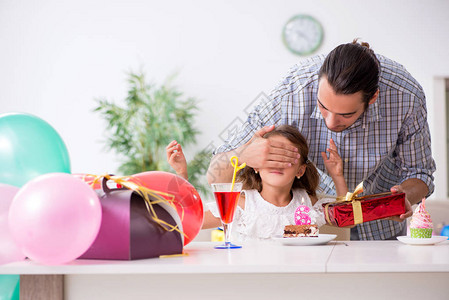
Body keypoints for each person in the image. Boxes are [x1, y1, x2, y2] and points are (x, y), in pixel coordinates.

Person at [207, 39, 436, 241]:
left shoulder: (406, 97)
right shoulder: (292, 91)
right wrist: (243, 155)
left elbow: (420, 174)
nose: (330, 123)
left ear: (373, 98)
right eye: (322, 106)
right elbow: (214, 174)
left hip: (382, 228)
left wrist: (402, 197)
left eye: (346, 115)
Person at [166, 125, 347, 241]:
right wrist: (181, 174)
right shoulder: (241, 205)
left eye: (285, 157)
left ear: (300, 170)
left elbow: (346, 220)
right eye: (271, 156)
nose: (276, 163)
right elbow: (188, 220)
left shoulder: (307, 204)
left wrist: (337, 176)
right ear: (256, 166)